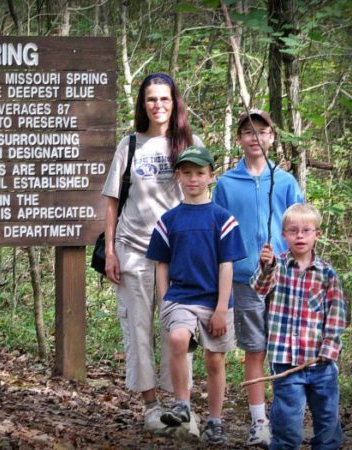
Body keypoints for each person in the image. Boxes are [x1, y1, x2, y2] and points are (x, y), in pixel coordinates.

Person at [101, 73, 202, 433]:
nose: (158, 105)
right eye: (151, 99)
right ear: (143, 105)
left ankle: (182, 407)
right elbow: (112, 202)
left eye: (164, 99)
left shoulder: (189, 143)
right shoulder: (130, 145)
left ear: (174, 103)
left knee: (179, 332)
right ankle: (151, 407)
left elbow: (202, 198)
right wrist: (111, 251)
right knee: (138, 328)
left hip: (179, 257)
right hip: (133, 251)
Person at [212, 109, 303, 448]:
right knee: (255, 350)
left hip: (283, 280)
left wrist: (285, 260)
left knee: (285, 351)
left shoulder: (285, 181)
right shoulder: (225, 184)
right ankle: (259, 422)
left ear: (272, 138)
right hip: (244, 280)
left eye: (262, 132)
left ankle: (286, 420)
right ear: (239, 139)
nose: (255, 138)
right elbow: (218, 233)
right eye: (248, 132)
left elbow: (299, 228)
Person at [146, 146, 246, 444]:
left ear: (210, 177)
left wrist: (220, 309)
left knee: (215, 360)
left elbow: (226, 266)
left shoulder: (223, 219)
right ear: (178, 176)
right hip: (180, 297)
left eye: (200, 173)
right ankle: (182, 405)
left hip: (215, 301)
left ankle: (215, 421)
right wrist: (166, 301)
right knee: (177, 338)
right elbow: (161, 264)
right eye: (187, 173)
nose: (193, 179)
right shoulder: (169, 220)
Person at [251, 203, 347, 450]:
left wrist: (329, 348)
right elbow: (259, 288)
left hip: (321, 364)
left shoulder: (327, 274)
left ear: (318, 234)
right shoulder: (278, 266)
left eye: (307, 230)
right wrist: (266, 266)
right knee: (286, 424)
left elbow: (336, 314)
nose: (300, 235)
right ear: (284, 235)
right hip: (286, 361)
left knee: (327, 423)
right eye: (293, 231)